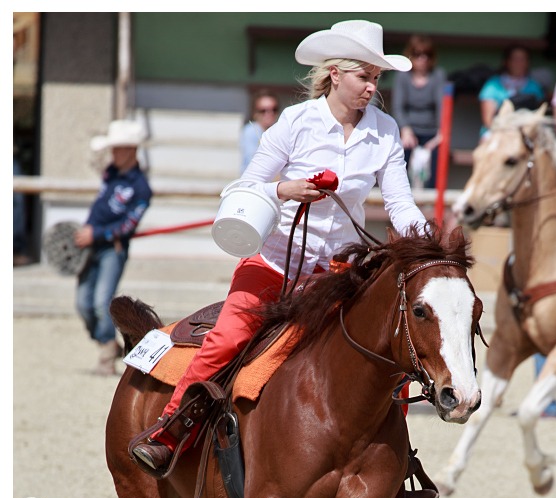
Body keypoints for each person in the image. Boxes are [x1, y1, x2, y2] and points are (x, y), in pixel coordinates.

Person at [132, 20, 428, 473]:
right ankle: (171, 429)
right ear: (335, 74)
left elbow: (399, 202)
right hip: (272, 263)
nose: (372, 87)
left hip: (338, 275)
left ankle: (399, 466)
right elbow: (243, 188)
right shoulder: (295, 122)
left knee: (389, 350)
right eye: (364, 77)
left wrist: (428, 245)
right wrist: (285, 190)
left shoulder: (385, 131)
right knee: (226, 338)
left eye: (376, 78)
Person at [76, 120, 152, 375]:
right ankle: (108, 342)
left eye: (117, 148)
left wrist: (95, 233)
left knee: (101, 301)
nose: (113, 154)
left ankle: (108, 351)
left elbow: (128, 225)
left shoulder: (141, 188)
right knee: (82, 302)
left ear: (131, 149)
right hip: (91, 246)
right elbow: (99, 208)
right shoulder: (110, 173)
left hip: (113, 249)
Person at [391, 34, 446, 189]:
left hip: (432, 132)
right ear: (410, 55)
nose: (422, 59)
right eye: (417, 54)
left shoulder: (438, 75)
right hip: (409, 130)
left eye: (427, 54)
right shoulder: (403, 76)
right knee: (400, 153)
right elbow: (398, 107)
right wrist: (405, 130)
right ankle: (400, 192)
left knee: (439, 153)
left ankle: (432, 197)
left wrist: (441, 134)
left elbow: (442, 107)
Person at [478, 44, 545, 138]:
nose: (518, 63)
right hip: (497, 131)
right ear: (506, 62)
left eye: (522, 59)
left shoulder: (534, 87)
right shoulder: (493, 85)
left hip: (526, 134)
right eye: (515, 59)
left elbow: (538, 117)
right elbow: (488, 121)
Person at [240, 89, 281, 173]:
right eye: (263, 110)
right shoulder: (251, 131)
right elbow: (253, 161)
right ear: (255, 113)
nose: (269, 114)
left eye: (274, 109)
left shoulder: (279, 130)